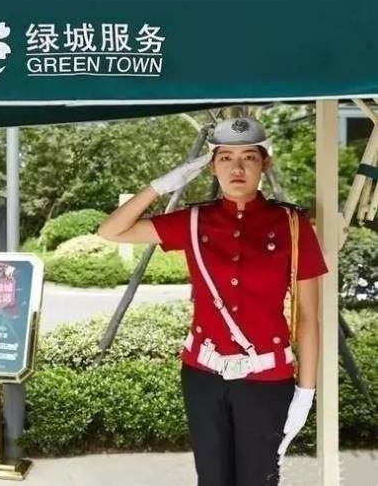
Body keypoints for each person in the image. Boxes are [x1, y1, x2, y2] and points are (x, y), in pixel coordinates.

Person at [97, 117, 328, 486]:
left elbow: (309, 316)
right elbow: (111, 231)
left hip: (267, 378)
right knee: (212, 479)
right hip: (202, 376)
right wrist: (160, 186)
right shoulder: (194, 221)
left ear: (264, 164)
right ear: (212, 165)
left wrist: (306, 391)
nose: (237, 168)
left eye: (249, 157)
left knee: (259, 480)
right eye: (225, 158)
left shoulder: (291, 225)